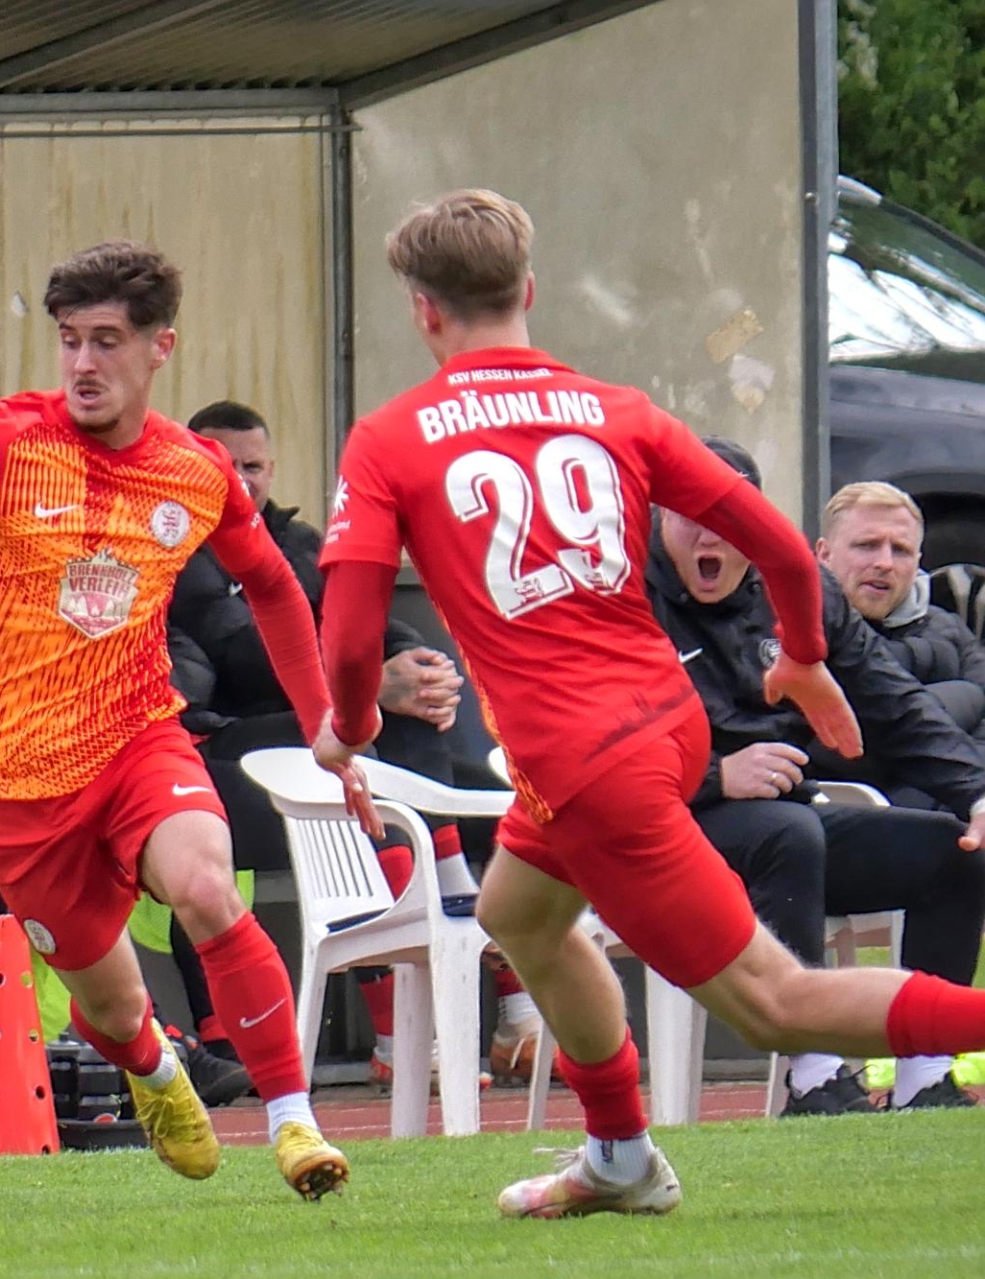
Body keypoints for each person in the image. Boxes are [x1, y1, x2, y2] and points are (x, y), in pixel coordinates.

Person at [313, 189, 985, 1220]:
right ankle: (620, 1152)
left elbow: (354, 638)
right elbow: (780, 545)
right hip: (662, 723)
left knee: (772, 1004)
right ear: (527, 290)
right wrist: (805, 657)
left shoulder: (392, 438)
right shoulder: (619, 409)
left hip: (585, 761)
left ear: (422, 309)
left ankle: (635, 1149)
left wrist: (348, 729)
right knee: (519, 915)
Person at [0, 240, 350, 1201]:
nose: (83, 365)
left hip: (138, 733)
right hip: (14, 777)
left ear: (161, 349)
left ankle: (294, 1123)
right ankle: (155, 1070)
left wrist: (326, 725)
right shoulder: (2, 443)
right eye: (70, 341)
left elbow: (273, 583)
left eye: (107, 342)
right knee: (110, 1004)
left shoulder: (193, 471)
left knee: (204, 887)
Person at [167, 401, 519, 1091]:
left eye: (254, 466)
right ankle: (405, 1021)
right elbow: (247, 656)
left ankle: (518, 1019)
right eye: (224, 464)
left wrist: (416, 665)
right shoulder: (176, 547)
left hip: (327, 743)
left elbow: (372, 622)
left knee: (513, 798)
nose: (240, 480)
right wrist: (366, 691)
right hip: (227, 754)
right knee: (365, 728)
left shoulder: (295, 542)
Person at [650, 443, 985, 1113]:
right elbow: (586, 734)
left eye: (729, 515)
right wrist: (715, 774)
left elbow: (895, 704)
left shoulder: (795, 586)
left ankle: (925, 1074)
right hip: (657, 826)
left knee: (955, 850)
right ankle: (815, 1074)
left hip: (780, 820)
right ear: (658, 515)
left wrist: (976, 792)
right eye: (691, 514)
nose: (711, 532)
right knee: (790, 830)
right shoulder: (621, 593)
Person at [817, 481, 985, 761]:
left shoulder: (948, 627)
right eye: (867, 545)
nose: (885, 563)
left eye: (900, 550)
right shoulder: (794, 631)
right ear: (824, 554)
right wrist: (964, 700)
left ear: (919, 561)